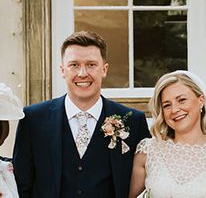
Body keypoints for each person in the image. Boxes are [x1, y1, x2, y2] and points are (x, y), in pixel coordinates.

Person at [13, 30, 151, 198]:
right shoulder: (33, 119)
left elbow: (145, 186)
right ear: (63, 70)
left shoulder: (133, 121)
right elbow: (21, 185)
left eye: (91, 64)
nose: (83, 73)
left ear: (104, 69)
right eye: (74, 65)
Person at [128, 70, 206, 198]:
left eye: (182, 100)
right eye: (167, 105)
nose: (174, 110)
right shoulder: (148, 150)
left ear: (201, 101)